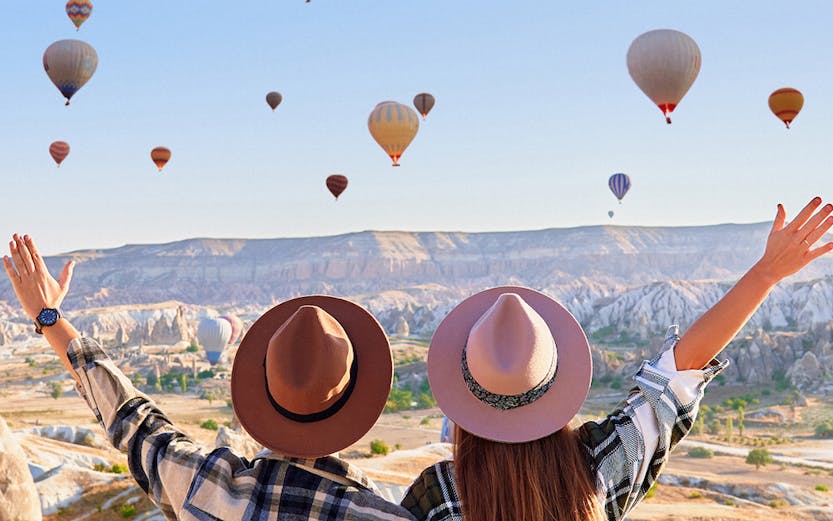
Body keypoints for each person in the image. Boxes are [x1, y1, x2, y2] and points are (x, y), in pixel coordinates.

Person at [401, 198, 833, 521]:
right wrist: (766, 274)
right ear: (556, 383)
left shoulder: (437, 493)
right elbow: (681, 368)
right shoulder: (597, 468)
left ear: (465, 403)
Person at [3, 234, 417, 521]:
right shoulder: (385, 515)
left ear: (263, 388)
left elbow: (133, 419)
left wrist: (48, 317)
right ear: (357, 399)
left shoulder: (206, 486)